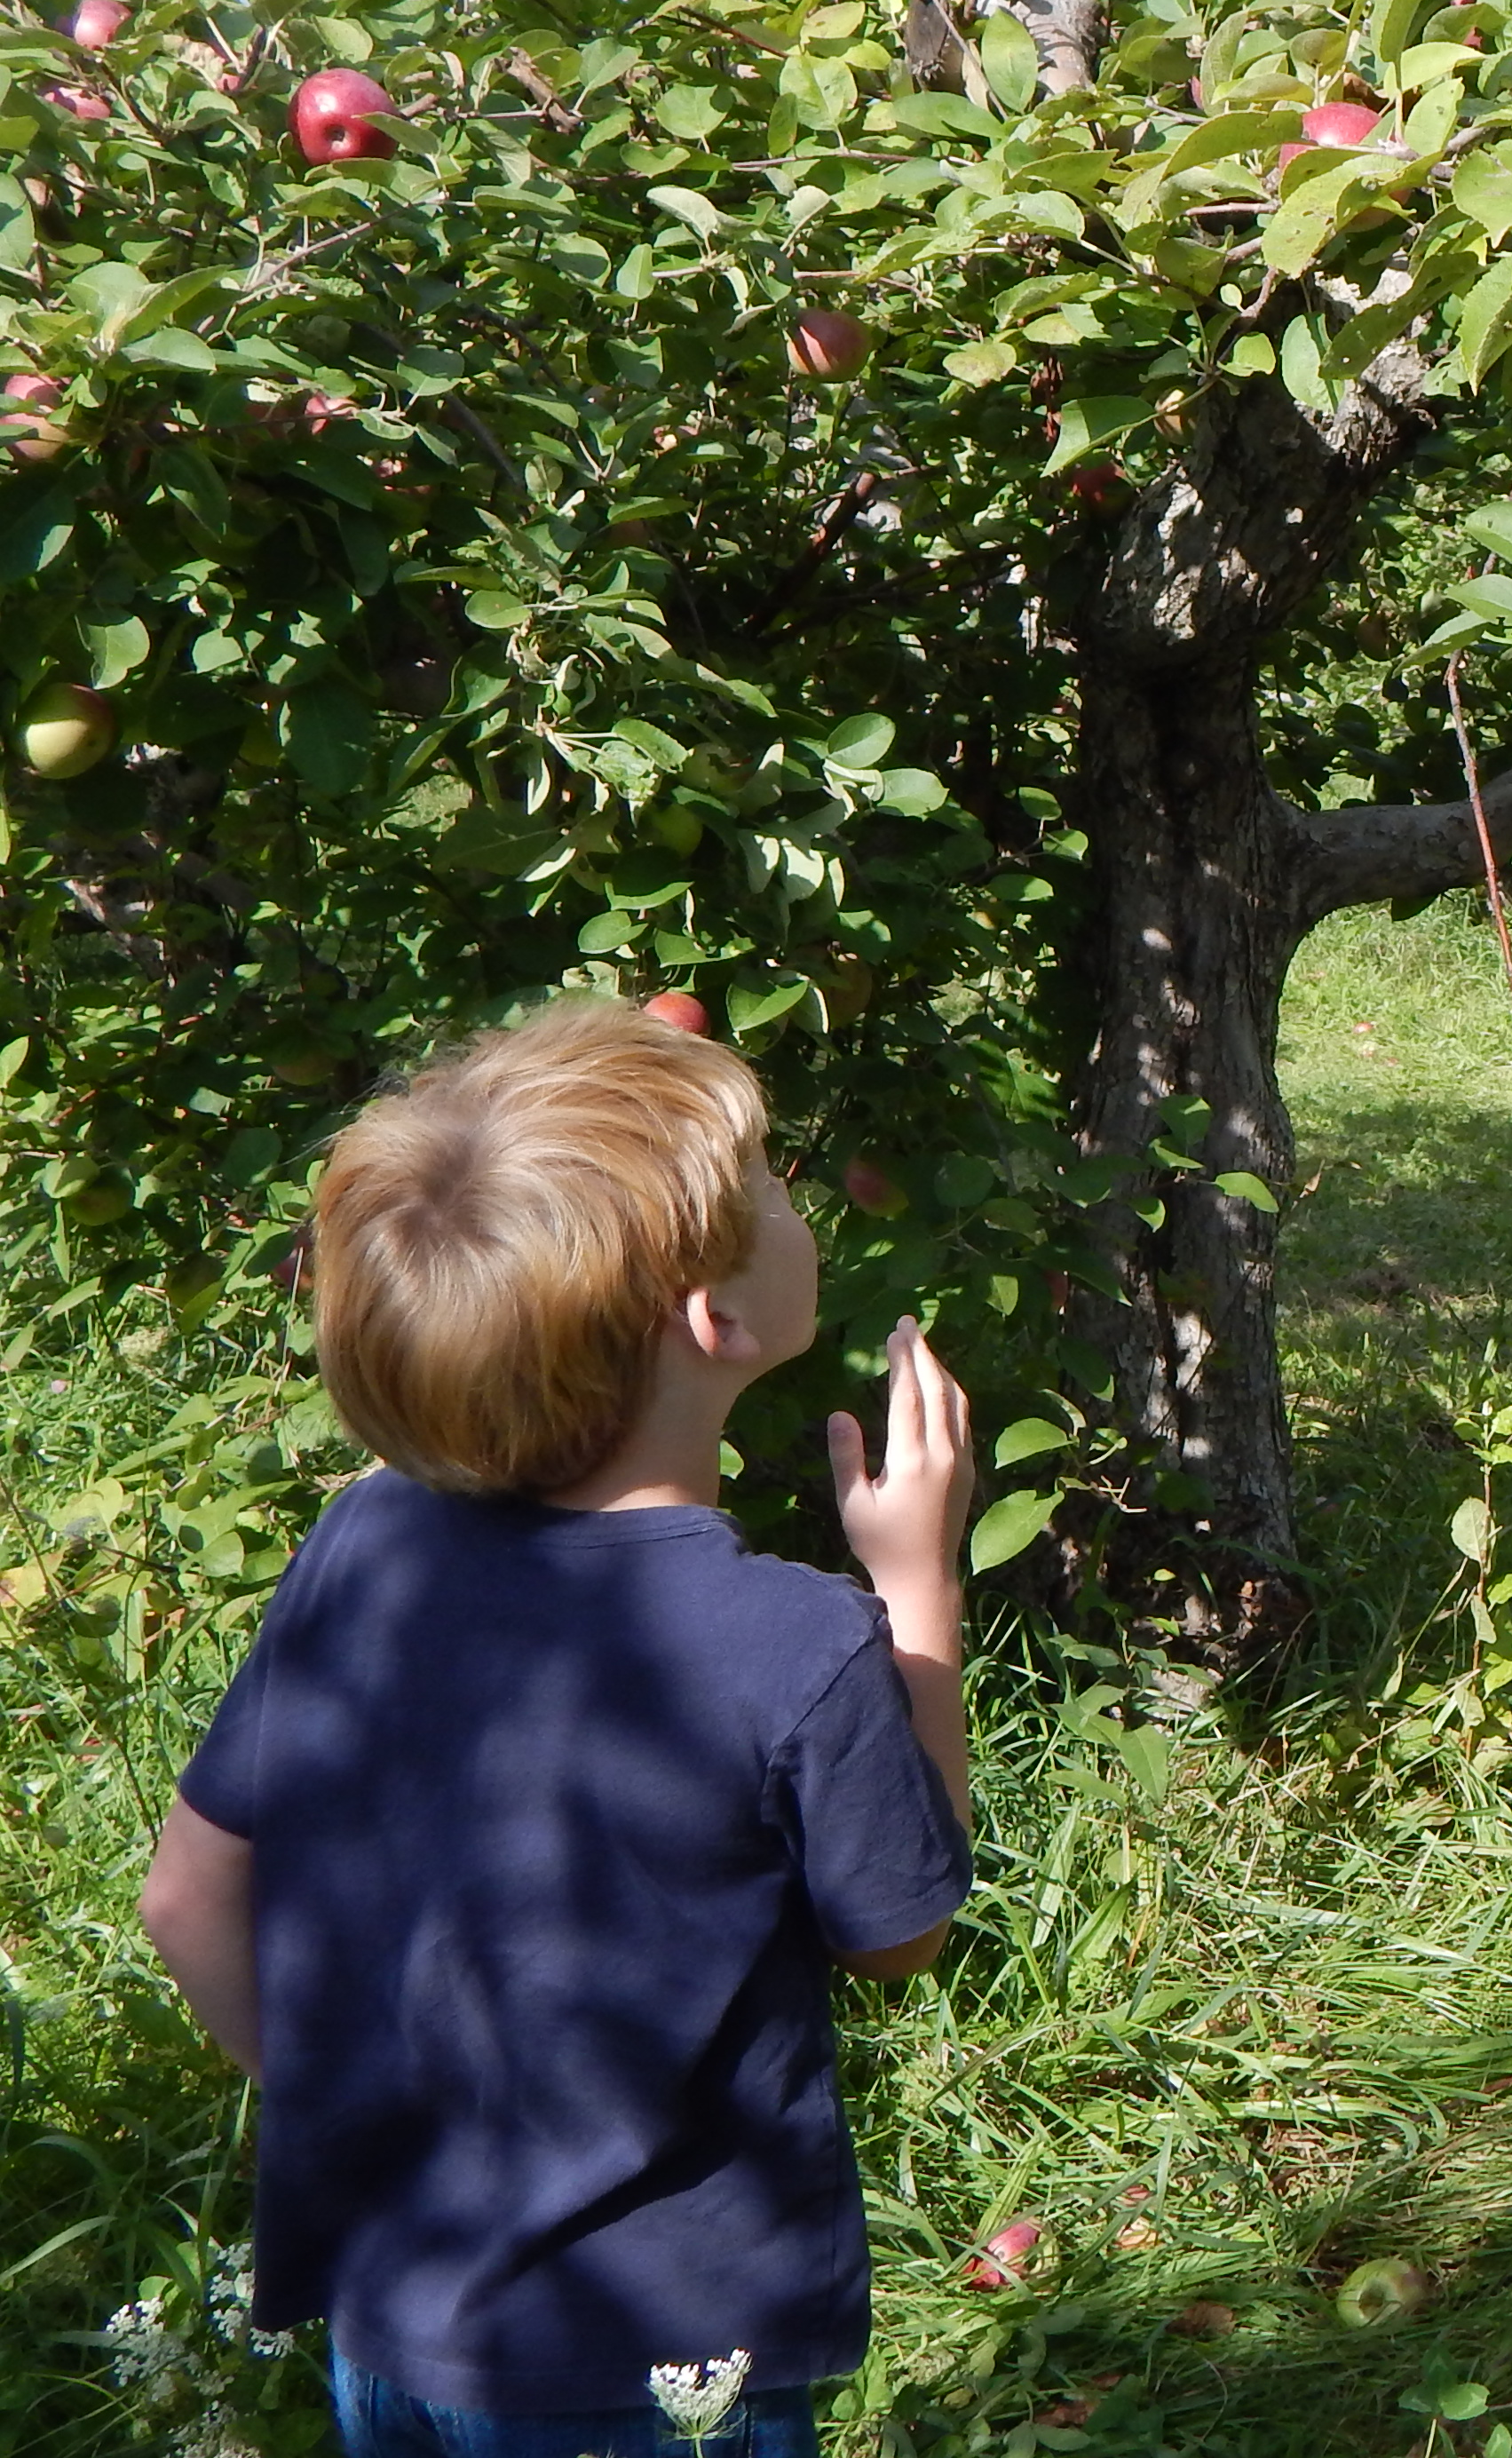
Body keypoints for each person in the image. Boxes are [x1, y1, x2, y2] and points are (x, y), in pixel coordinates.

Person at [134, 997, 979, 2458]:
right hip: (660, 2370)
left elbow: (185, 1894)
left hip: (402, 2321)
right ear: (709, 1319)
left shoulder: (368, 1544)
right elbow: (897, 1934)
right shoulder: (797, 1641)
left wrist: (371, 2126)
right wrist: (918, 1595)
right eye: (773, 1178)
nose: (793, 1194)